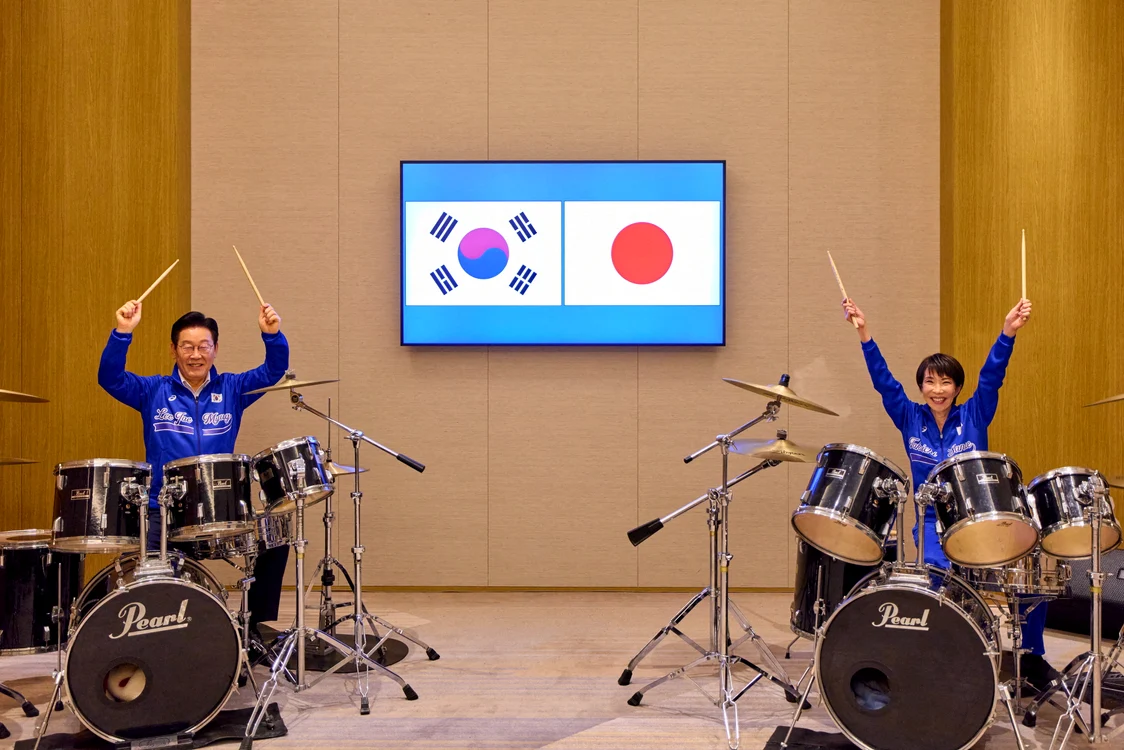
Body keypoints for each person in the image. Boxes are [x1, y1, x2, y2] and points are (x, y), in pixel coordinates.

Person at [842, 295, 1061, 692]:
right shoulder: (909, 416)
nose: (937, 389)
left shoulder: (975, 414)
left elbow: (992, 375)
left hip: (982, 520)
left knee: (1029, 580)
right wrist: (864, 334)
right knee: (937, 579)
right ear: (922, 387)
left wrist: (1007, 333)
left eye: (945, 382)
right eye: (930, 382)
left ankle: (1030, 657)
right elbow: (883, 382)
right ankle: (941, 659)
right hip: (932, 524)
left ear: (957, 387)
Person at [98, 299, 290, 630]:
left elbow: (273, 371)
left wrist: (272, 336)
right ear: (174, 350)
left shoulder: (234, 389)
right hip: (163, 510)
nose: (196, 354)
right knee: (151, 582)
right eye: (187, 346)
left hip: (220, 508)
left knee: (275, 540)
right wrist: (122, 333)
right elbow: (110, 378)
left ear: (215, 350)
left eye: (204, 346)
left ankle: (252, 630)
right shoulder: (152, 390)